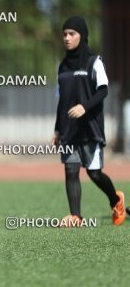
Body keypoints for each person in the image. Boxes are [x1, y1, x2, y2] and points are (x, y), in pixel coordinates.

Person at [52, 16, 125, 226]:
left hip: (90, 128)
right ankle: (76, 216)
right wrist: (57, 129)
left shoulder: (94, 62)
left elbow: (103, 90)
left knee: (94, 173)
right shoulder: (63, 66)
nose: (66, 38)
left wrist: (84, 107)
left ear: (82, 36)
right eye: (64, 34)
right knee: (70, 170)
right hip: (68, 131)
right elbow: (62, 101)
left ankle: (116, 199)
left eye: (72, 34)